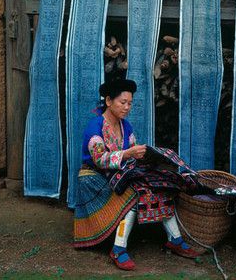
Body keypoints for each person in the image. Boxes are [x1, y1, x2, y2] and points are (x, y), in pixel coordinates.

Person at [73, 77, 199, 270]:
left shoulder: (126, 126)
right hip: (94, 177)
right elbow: (99, 159)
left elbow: (131, 155)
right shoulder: (95, 126)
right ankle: (118, 248)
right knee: (134, 196)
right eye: (123, 102)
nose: (127, 107)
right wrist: (127, 154)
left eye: (130, 103)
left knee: (158, 188)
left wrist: (148, 158)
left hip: (118, 173)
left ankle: (175, 239)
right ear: (108, 101)